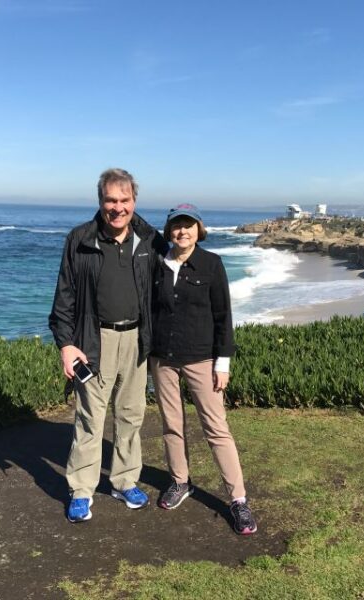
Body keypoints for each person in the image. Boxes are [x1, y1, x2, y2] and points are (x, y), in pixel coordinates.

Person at [49, 168, 167, 523]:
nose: (118, 208)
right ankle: (81, 490)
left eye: (125, 200)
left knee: (131, 414)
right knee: (90, 418)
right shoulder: (80, 239)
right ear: (100, 201)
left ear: (135, 201)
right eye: (111, 200)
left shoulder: (148, 239)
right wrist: (66, 344)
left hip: (136, 338)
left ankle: (124, 480)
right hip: (93, 340)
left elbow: (177, 272)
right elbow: (64, 296)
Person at [149, 203, 257, 535]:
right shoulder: (157, 264)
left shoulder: (212, 264)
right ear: (168, 231)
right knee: (172, 425)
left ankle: (238, 500)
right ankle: (181, 482)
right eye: (176, 226)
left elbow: (224, 317)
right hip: (162, 358)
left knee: (216, 428)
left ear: (199, 229)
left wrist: (222, 363)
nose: (182, 231)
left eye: (189, 225)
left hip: (201, 359)